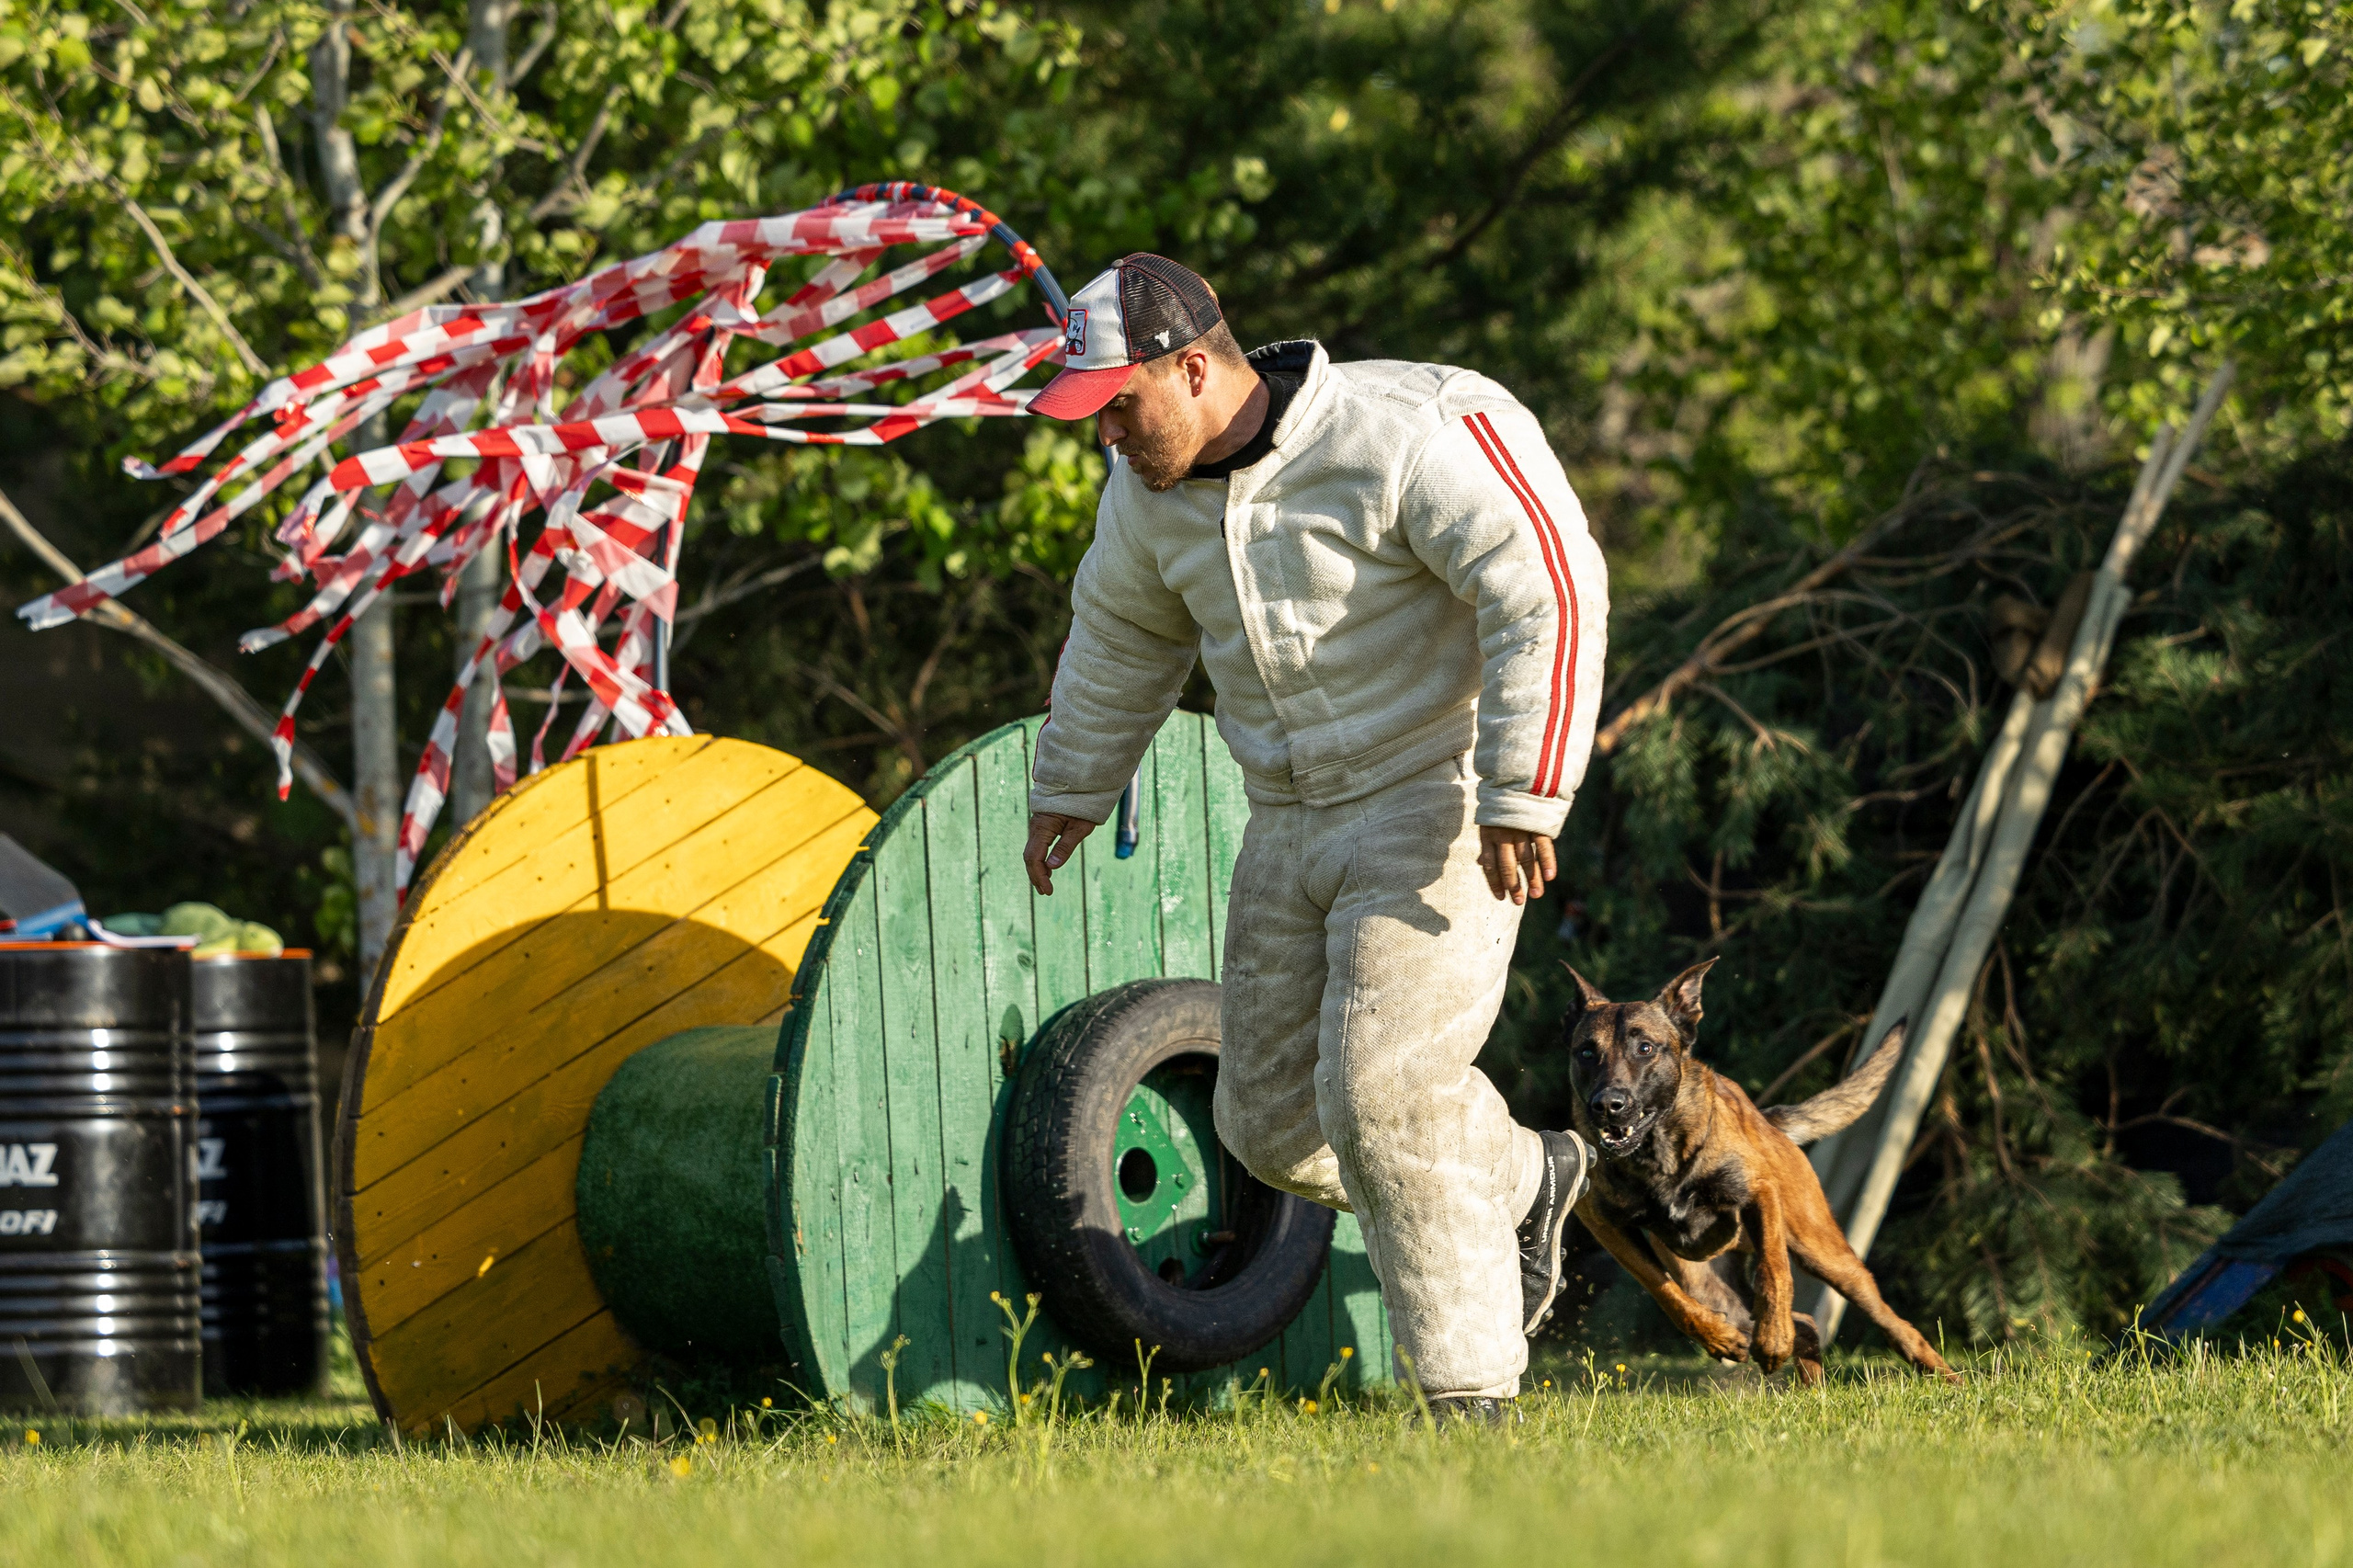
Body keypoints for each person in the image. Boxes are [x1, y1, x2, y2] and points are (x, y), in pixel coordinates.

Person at [1019, 254, 1609, 1424]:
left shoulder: (1415, 429)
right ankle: (1525, 1178)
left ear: (1192, 367)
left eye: (1117, 407)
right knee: (1272, 1124)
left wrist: (1521, 790)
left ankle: (1468, 1399)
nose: (1105, 438)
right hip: (1286, 820)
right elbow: (1119, 638)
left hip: (1432, 802)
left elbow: (1546, 583)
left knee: (1385, 1098)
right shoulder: (1146, 495)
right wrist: (1071, 783)